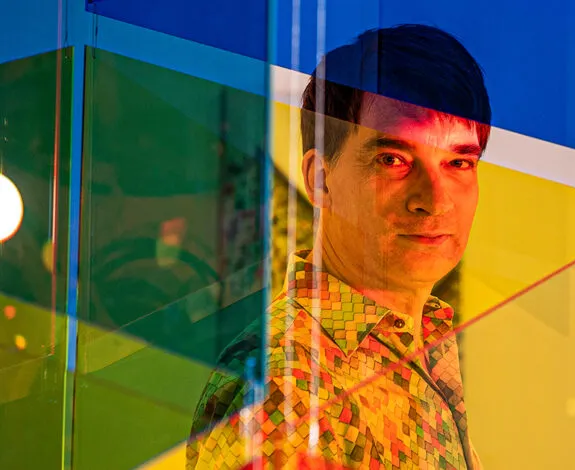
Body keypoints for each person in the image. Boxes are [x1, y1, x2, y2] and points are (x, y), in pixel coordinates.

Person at [188, 23, 491, 469]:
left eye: (458, 162)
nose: (436, 200)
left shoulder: (418, 335)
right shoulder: (284, 385)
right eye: (394, 160)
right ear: (320, 179)